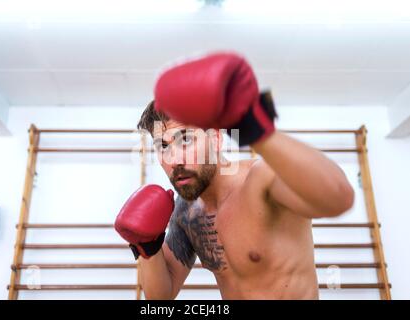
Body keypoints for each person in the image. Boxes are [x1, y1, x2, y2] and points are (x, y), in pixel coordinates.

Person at [115, 52, 354, 299]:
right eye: (162, 146)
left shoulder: (261, 181)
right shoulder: (186, 211)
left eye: (185, 139)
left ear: (216, 138)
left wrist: (258, 130)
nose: (174, 160)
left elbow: (340, 197)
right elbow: (161, 297)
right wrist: (148, 248)